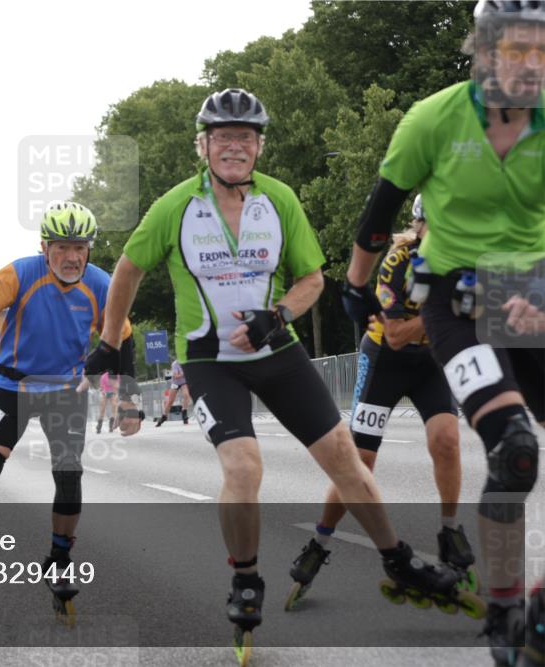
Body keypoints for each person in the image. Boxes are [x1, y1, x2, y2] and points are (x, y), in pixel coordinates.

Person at [83, 88, 474, 649]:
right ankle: (245, 579)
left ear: (259, 146)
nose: (234, 148)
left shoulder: (280, 201)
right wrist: (109, 343)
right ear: (204, 144)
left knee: (347, 463)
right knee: (243, 471)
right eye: (223, 137)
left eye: (245, 138)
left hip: (278, 352)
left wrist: (281, 313)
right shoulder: (175, 207)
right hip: (211, 362)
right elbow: (125, 271)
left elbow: (313, 279)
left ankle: (398, 560)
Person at [340, 3, 544, 663]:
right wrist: (356, 294)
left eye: (542, 51)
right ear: (482, 50)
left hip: (532, 295)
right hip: (455, 304)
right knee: (514, 451)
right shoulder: (431, 120)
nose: (531, 65)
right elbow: (375, 224)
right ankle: (507, 611)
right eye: (516, 50)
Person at [0, 201, 142, 626]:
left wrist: (127, 398)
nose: (72, 257)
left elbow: (121, 340)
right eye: (61, 248)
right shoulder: (22, 273)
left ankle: (58, 558)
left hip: (66, 391)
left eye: (81, 247)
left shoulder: (100, 284)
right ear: (44, 247)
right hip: (10, 388)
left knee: (69, 476)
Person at [286, 196, 475, 611]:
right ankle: (319, 543)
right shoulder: (397, 262)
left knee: (446, 441)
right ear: (419, 225)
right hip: (385, 360)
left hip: (430, 363)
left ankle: (449, 530)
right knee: (360, 465)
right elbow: (395, 335)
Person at [155, 358, 191, 426]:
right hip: (175, 383)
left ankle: (184, 412)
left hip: (184, 382)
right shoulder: (175, 364)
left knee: (186, 395)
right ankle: (164, 416)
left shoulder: (187, 362)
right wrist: (184, 373)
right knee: (170, 401)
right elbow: (176, 376)